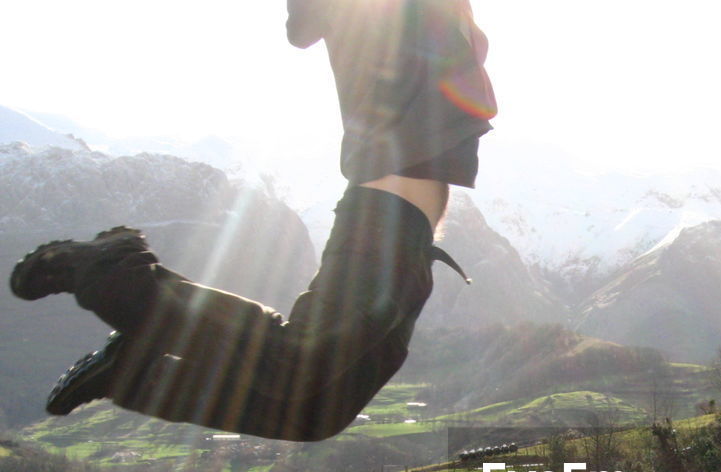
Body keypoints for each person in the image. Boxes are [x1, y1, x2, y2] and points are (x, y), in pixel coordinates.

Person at [9, 0, 497, 442]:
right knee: (299, 362)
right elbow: (304, 26)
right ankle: (111, 270)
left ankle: (135, 376)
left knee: (316, 413)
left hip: (414, 237)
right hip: (384, 215)